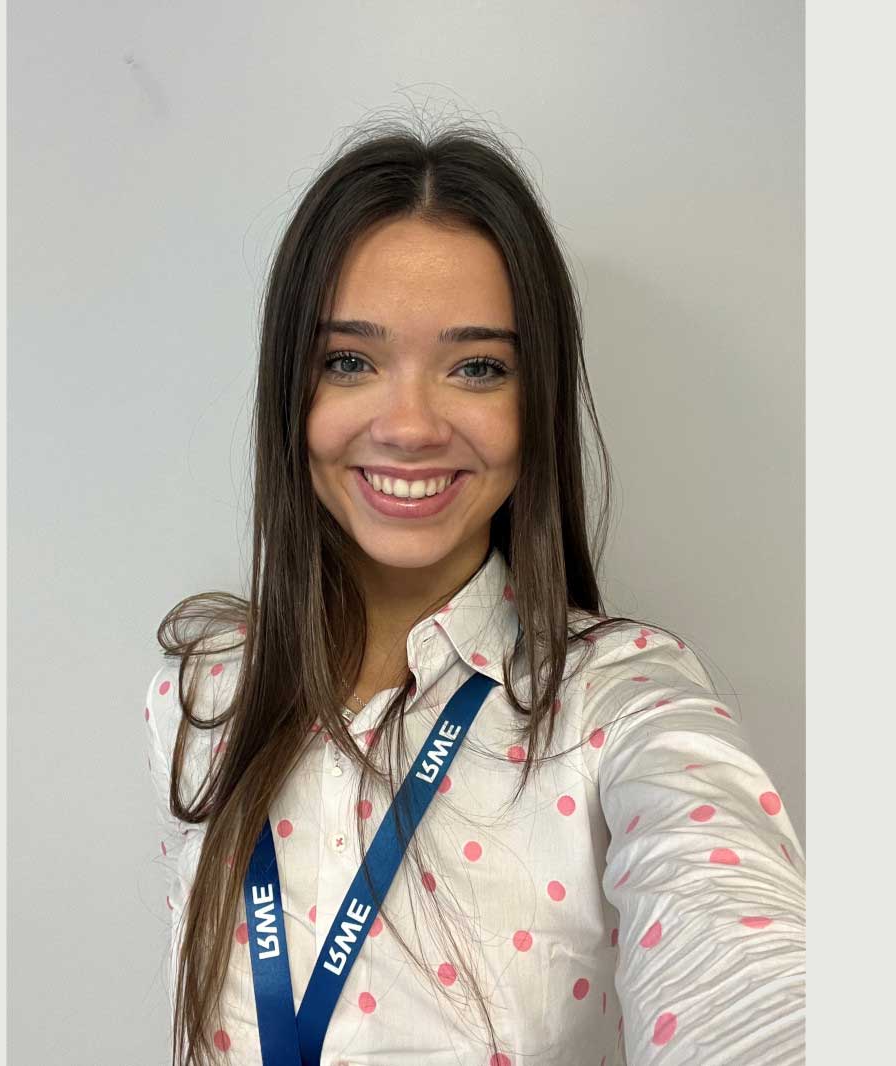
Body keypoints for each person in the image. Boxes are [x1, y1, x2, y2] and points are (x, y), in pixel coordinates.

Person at [142, 120, 805, 1066]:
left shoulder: (621, 704)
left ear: (534, 405)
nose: (409, 424)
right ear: (292, 389)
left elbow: (744, 969)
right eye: (350, 360)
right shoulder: (202, 691)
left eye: (477, 367)